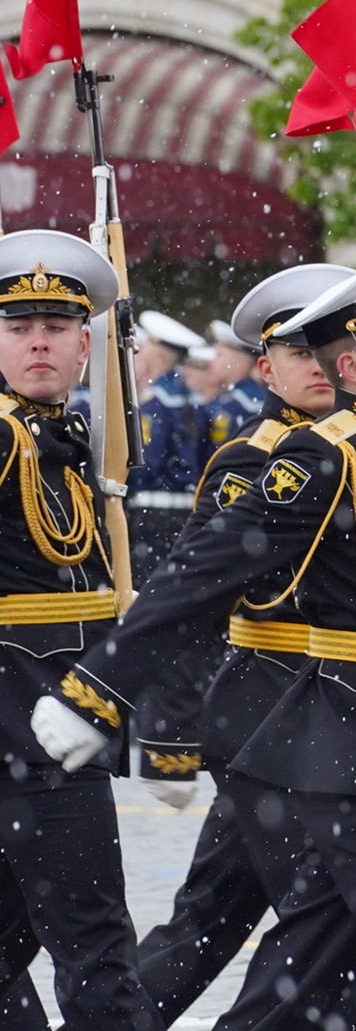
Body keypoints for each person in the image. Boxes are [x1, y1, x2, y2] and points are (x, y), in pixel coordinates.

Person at [33, 237, 356, 1031]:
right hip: (340, 747)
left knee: (305, 981)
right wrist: (100, 691)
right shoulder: (318, 457)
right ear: (353, 365)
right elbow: (201, 578)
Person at [0, 231, 161, 1030]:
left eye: (57, 327)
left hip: (57, 726)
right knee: (96, 949)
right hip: (33, 739)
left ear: (85, 347)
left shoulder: (67, 441)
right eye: (19, 327)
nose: (39, 342)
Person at [127, 309, 206, 574]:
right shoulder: (194, 399)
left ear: (159, 358)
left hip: (153, 512)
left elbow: (146, 461)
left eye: (143, 351)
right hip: (188, 511)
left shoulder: (154, 401)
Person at [199, 317, 266, 450]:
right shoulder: (232, 397)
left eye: (219, 355)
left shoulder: (245, 402)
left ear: (240, 363)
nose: (211, 362)